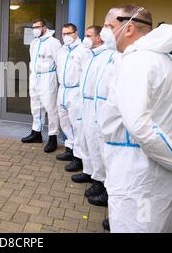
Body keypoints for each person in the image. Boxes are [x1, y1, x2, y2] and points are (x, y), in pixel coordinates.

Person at [99, 4, 172, 232]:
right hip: (165, 171)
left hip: (137, 173)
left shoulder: (136, 62)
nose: (104, 32)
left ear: (128, 29)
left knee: (137, 225)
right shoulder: (170, 60)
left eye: (109, 26)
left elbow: (139, 125)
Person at [70, 26, 112, 209]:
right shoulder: (91, 56)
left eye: (88, 36)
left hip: (97, 106)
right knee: (87, 140)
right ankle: (89, 172)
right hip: (85, 104)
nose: (84, 39)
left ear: (98, 39)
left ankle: (101, 182)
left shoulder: (106, 57)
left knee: (97, 144)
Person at [21, 18, 62, 153]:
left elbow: (59, 63)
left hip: (47, 77)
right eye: (33, 27)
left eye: (38, 27)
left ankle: (52, 137)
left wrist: (59, 81)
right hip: (35, 76)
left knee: (51, 108)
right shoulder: (34, 42)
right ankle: (36, 132)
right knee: (36, 105)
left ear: (45, 27)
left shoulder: (54, 43)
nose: (35, 30)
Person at [55, 23, 91, 167]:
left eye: (69, 33)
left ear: (76, 33)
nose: (66, 37)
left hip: (75, 91)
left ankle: (79, 158)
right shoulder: (62, 50)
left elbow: (87, 73)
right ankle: (69, 149)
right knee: (64, 122)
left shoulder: (83, 50)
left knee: (77, 125)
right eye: (64, 34)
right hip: (62, 90)